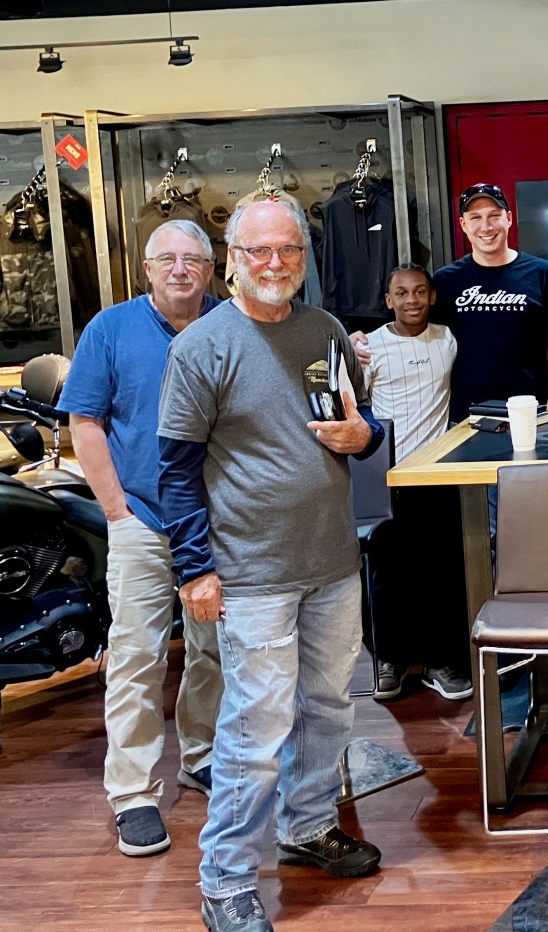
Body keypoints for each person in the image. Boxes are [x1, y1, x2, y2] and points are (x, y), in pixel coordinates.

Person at [157, 200, 387, 932]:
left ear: (304, 256)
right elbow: (175, 472)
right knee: (254, 730)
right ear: (233, 257)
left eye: (288, 249)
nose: (275, 263)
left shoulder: (324, 331)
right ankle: (224, 878)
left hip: (332, 562)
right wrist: (195, 570)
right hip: (249, 572)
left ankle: (307, 826)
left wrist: (365, 436)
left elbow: (359, 424)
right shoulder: (202, 347)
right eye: (259, 250)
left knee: (328, 708)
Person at [59, 221, 223, 858]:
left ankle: (202, 755)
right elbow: (85, 423)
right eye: (167, 259)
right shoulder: (110, 329)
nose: (180, 269)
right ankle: (132, 793)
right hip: (143, 523)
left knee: (214, 650)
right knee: (136, 657)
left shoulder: (231, 323)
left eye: (193, 259)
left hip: (218, 523)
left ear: (210, 269)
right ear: (147, 269)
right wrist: (117, 511)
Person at [362, 265, 468, 702]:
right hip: (388, 478)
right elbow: (352, 402)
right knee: (387, 574)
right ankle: (390, 660)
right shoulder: (369, 347)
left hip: (437, 476)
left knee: (440, 573)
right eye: (402, 293)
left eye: (420, 292)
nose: (412, 300)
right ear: (389, 300)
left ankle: (440, 663)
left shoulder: (447, 340)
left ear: (432, 297)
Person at [431, 181, 548, 421]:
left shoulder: (542, 274)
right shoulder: (445, 281)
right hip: (465, 419)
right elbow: (420, 339)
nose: (486, 227)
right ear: (463, 224)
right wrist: (365, 339)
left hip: (529, 415)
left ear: (508, 218)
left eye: (494, 216)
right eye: (475, 218)